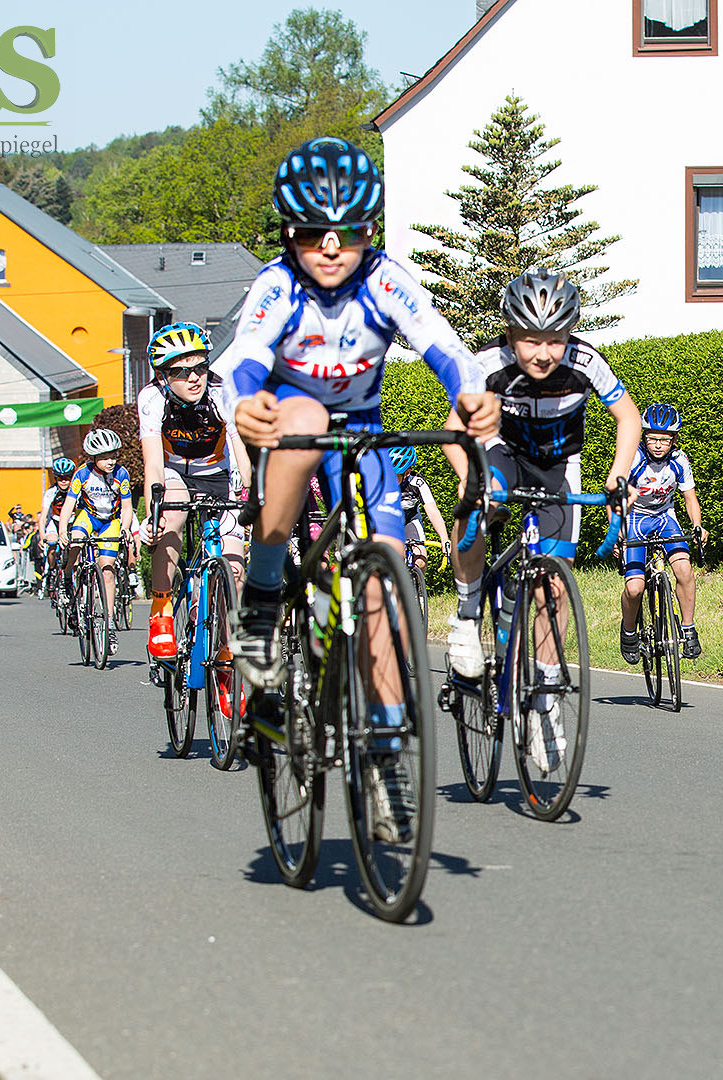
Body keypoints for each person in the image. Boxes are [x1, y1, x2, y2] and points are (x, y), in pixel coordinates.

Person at [215, 137, 495, 841]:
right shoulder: (277, 285)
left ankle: (385, 756)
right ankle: (265, 592)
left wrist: (469, 394)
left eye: (350, 233)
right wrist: (246, 403)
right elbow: (246, 356)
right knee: (306, 419)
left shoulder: (385, 279)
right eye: (315, 234)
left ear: (371, 232)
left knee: (382, 590)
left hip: (362, 439)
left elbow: (443, 345)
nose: (332, 249)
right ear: (290, 234)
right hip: (287, 425)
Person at [442, 269, 642, 773]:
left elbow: (628, 417)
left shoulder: (586, 362)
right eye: (530, 339)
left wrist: (618, 475)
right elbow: (453, 432)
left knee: (552, 585)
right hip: (501, 451)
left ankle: (546, 699)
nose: (543, 352)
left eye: (555, 339)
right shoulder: (489, 364)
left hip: (558, 464)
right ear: (510, 333)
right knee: (477, 505)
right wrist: (472, 481)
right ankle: (466, 613)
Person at [138, 321, 251, 661]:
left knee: (235, 569)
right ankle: (161, 611)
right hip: (174, 474)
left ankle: (226, 656)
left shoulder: (221, 392)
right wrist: (153, 514)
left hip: (217, 476)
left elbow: (242, 453)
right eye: (181, 371)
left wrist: (253, 496)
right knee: (171, 510)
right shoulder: (151, 398)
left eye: (200, 367)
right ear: (163, 376)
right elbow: (153, 465)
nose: (194, 378)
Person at [618, 403, 708, 664]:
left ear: (674, 440)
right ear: (644, 437)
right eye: (652, 438)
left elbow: (689, 498)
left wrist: (697, 525)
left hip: (664, 517)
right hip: (635, 518)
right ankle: (629, 632)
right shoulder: (633, 459)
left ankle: (688, 630)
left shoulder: (679, 461)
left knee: (684, 570)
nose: (658, 445)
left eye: (664, 439)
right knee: (634, 588)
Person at [55, 428, 138, 657]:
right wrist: (62, 530)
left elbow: (127, 506)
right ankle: (68, 575)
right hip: (88, 516)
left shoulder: (121, 474)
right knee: (76, 542)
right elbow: (69, 504)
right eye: (105, 457)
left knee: (108, 570)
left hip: (110, 520)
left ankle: (109, 623)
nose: (111, 461)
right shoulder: (82, 474)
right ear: (94, 457)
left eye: (114, 455)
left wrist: (125, 528)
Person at [387, 445, 449, 588]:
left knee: (420, 559)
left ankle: (417, 592)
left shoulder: (417, 482)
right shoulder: (382, 482)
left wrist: (444, 538)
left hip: (410, 520)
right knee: (395, 555)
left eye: (396, 475)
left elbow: (432, 511)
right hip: (389, 522)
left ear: (407, 472)